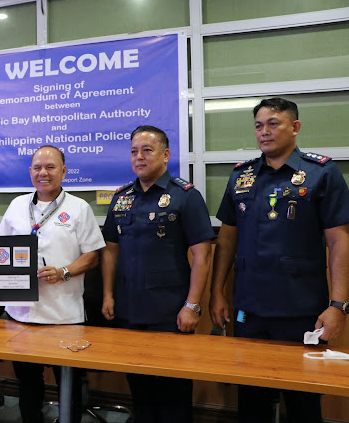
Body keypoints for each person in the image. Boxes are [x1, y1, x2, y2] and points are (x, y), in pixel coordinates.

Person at [209, 97, 349, 423]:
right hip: (249, 309)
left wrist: (339, 304)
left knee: (303, 401)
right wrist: (217, 292)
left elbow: (339, 240)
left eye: (274, 123)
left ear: (295, 127)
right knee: (251, 400)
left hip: (300, 310)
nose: (265, 132)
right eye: (259, 126)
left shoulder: (321, 173)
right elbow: (227, 239)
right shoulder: (241, 177)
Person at [0, 145, 105, 423]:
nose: (43, 173)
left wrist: (65, 271)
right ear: (30, 171)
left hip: (64, 316)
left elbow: (93, 256)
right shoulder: (17, 205)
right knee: (28, 384)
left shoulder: (79, 208)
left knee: (67, 385)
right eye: (37, 167)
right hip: (21, 314)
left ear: (64, 171)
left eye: (50, 167)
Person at [101, 125, 214, 423]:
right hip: (129, 308)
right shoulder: (122, 197)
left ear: (165, 154)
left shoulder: (185, 196)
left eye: (147, 150)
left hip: (170, 311)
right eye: (134, 151)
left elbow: (203, 254)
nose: (139, 157)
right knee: (139, 388)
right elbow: (110, 249)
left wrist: (192, 305)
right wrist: (108, 294)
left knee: (172, 391)